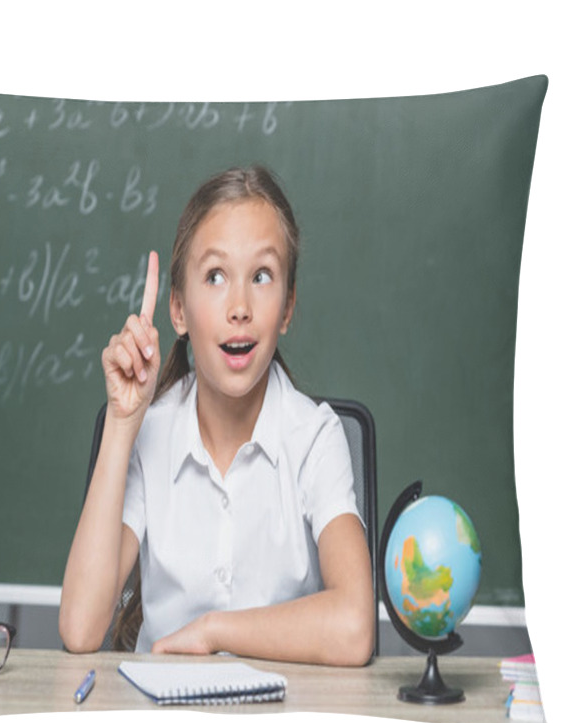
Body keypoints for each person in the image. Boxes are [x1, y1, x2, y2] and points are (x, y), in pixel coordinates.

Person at [59, 166, 373, 666]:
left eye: (262, 276)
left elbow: (355, 627)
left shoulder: (314, 437)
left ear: (287, 308)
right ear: (178, 311)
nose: (240, 306)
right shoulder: (151, 433)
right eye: (216, 276)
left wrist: (213, 631)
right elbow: (79, 628)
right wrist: (123, 425)